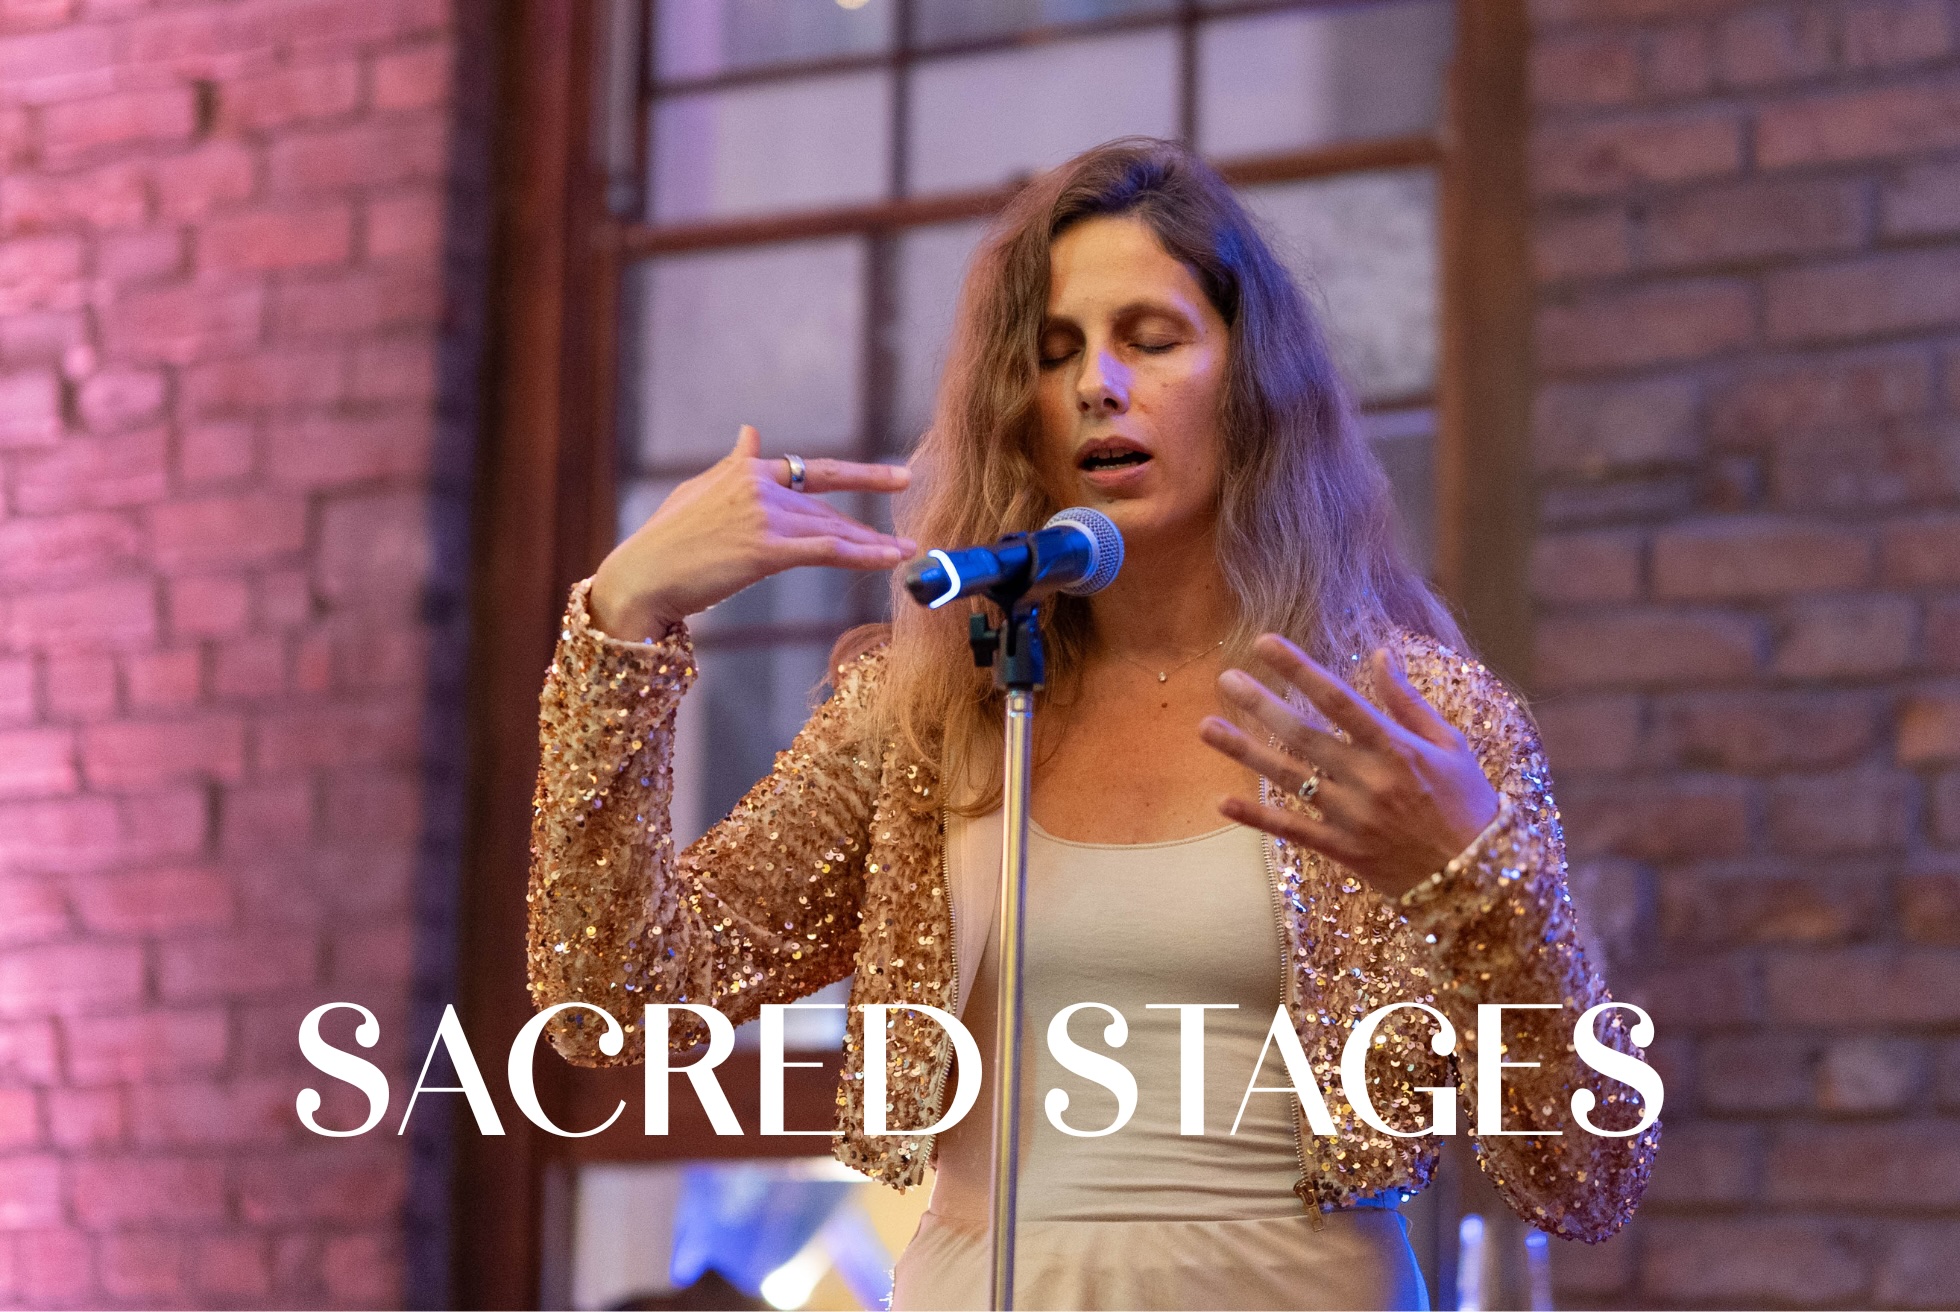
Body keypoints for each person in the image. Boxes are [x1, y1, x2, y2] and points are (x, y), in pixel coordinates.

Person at [527, 138, 1659, 1311]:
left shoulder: (1406, 714)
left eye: (1151, 339)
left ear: (1253, 380)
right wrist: (622, 617)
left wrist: (1474, 882)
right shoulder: (930, 711)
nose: (1096, 385)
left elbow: (1586, 1178)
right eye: (1054, 351)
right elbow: (612, 1007)